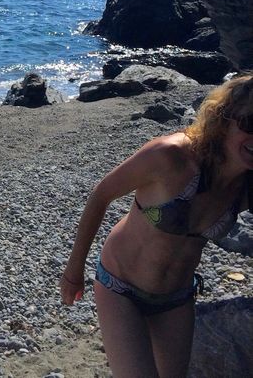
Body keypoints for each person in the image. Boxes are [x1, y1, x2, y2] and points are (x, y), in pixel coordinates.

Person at [61, 76, 253, 377]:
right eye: (250, 123)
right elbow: (102, 195)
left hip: (177, 298)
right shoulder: (171, 157)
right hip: (120, 288)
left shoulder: (246, 186)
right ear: (225, 118)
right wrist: (74, 272)